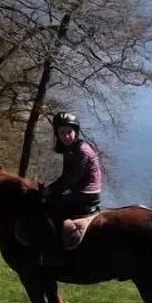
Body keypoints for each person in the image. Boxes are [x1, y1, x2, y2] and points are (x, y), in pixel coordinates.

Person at [38, 111, 103, 266]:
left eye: (69, 132)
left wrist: (51, 191)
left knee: (51, 210)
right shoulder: (69, 150)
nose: (66, 136)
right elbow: (65, 177)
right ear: (57, 134)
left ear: (75, 132)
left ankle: (55, 254)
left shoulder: (82, 151)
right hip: (79, 189)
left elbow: (72, 178)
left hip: (87, 193)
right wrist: (50, 189)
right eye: (62, 133)